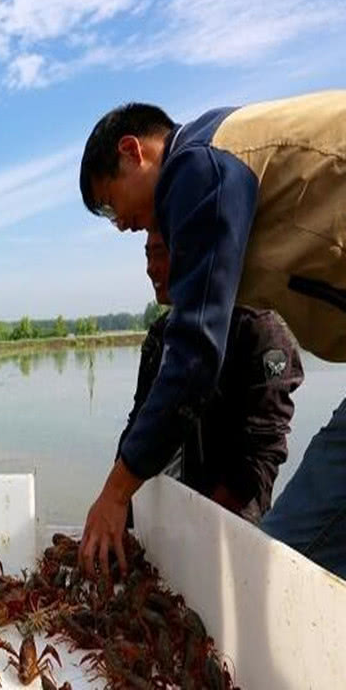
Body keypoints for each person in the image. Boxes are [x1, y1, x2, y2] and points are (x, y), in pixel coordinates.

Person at [77, 91, 346, 578]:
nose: (119, 225)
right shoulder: (216, 158)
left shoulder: (197, 164)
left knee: (288, 564)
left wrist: (115, 494)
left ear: (132, 152)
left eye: (110, 202)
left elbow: (196, 355)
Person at [121, 230, 303, 523]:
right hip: (165, 515)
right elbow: (137, 426)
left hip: (227, 521)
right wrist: (118, 504)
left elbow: (261, 453)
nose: (150, 267)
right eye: (147, 254)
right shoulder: (159, 336)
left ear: (192, 254)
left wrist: (197, 524)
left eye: (160, 253)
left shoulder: (257, 329)